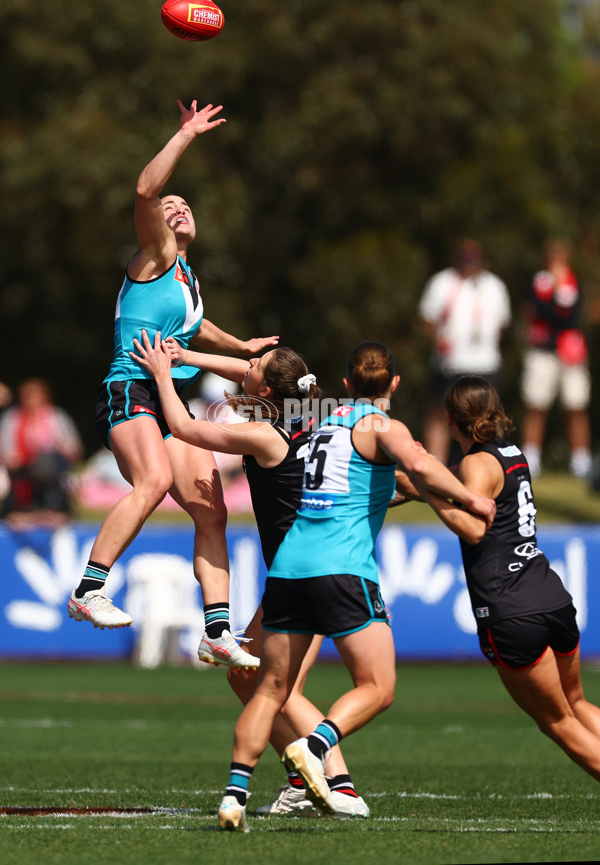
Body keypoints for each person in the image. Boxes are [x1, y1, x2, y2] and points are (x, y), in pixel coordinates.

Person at [214, 341, 496, 832]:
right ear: (395, 384)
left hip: (287, 567)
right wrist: (469, 500)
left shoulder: (320, 422)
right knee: (376, 686)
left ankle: (240, 792)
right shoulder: (381, 427)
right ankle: (322, 763)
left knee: (266, 686)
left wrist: (182, 360)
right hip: (337, 565)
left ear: (344, 383)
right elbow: (419, 469)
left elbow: (389, 479)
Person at [68, 99, 277, 672]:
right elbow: (143, 188)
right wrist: (185, 135)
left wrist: (240, 347)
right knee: (154, 480)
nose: (176, 207)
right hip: (129, 388)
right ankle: (88, 589)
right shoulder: (154, 256)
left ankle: (215, 632)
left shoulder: (186, 277)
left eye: (185, 204)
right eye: (171, 205)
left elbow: (195, 325)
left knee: (212, 510)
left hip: (166, 397)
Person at [130, 330, 370, 817]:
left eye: (257, 365)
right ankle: (303, 778)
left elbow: (183, 427)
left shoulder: (264, 433)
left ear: (265, 392)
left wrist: (162, 375)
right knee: (248, 678)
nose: (247, 364)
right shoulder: (306, 414)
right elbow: (247, 375)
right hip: (317, 568)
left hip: (303, 575)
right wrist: (187, 355)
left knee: (278, 688)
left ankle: (339, 784)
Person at [403, 375, 600, 790]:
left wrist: (433, 496)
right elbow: (443, 481)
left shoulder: (476, 464)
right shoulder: (510, 454)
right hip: (550, 595)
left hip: (511, 610)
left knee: (559, 722)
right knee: (578, 704)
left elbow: (474, 528)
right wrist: (407, 479)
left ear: (452, 420)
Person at [418, 239, 511, 464]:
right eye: (465, 259)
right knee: (440, 413)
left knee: (488, 415)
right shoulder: (442, 282)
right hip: (450, 363)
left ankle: (489, 461)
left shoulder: (494, 285)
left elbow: (502, 324)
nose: (470, 264)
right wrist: (438, 340)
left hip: (484, 363)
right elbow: (426, 320)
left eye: (473, 259)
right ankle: (436, 463)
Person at [520, 239, 592, 479]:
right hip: (543, 350)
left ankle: (581, 460)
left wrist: (557, 298)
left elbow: (573, 314)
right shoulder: (539, 281)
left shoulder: (574, 282)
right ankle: (531, 458)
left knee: (576, 405)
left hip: (570, 352)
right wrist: (555, 298)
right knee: (536, 404)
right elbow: (542, 310)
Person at [0, 378, 83, 527]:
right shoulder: (12, 418)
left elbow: (73, 448)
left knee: (45, 463)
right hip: (20, 468)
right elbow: (5, 447)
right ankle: (25, 510)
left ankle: (51, 509)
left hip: (51, 466)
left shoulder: (56, 417)